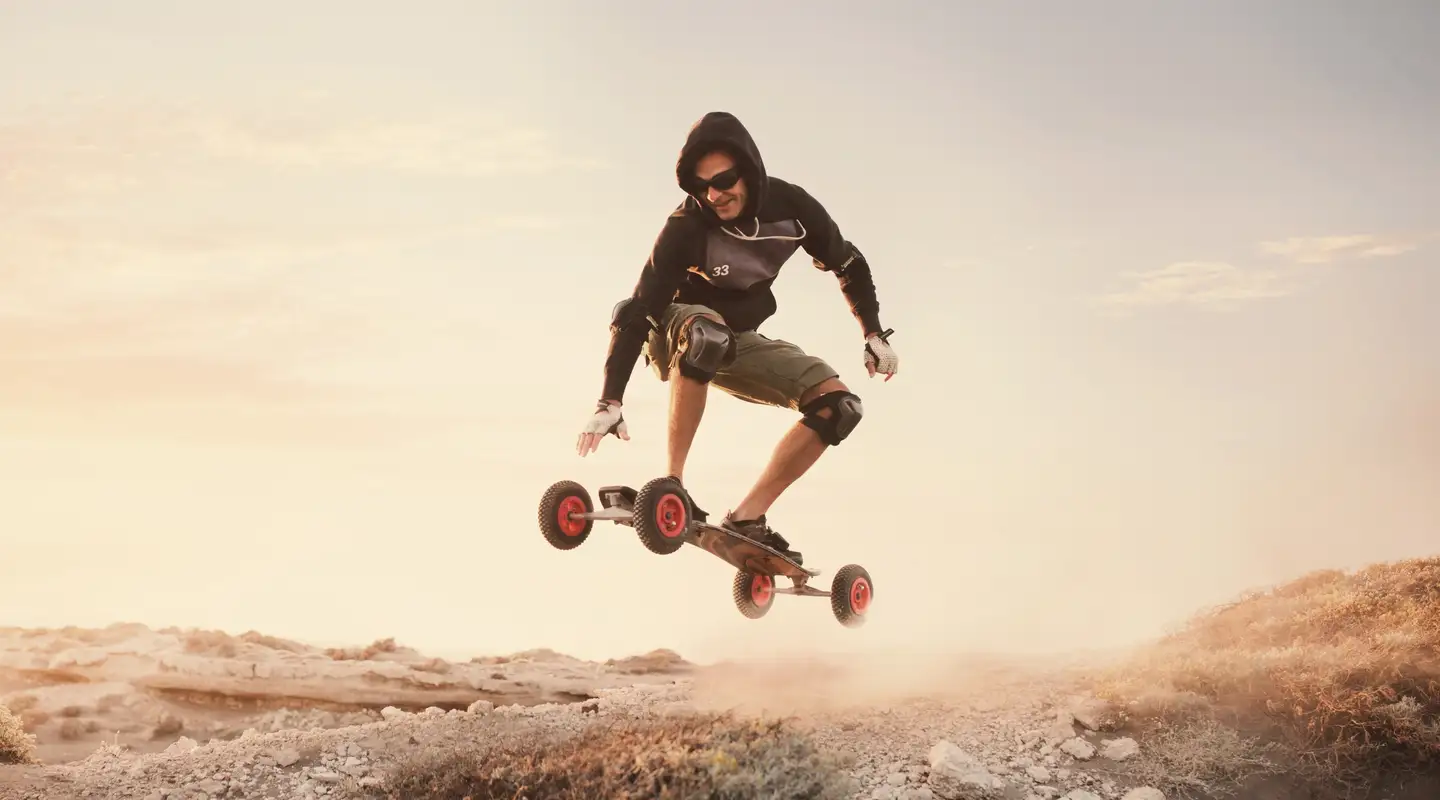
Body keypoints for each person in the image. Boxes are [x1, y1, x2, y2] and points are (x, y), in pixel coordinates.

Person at [574, 111, 898, 565]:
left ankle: (747, 519)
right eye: (702, 187)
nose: (715, 195)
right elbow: (637, 311)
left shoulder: (794, 209)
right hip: (675, 328)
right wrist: (610, 400)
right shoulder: (685, 227)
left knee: (839, 407)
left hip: (737, 338)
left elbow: (849, 263)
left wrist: (873, 333)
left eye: (724, 180)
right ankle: (673, 485)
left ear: (749, 171)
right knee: (708, 333)